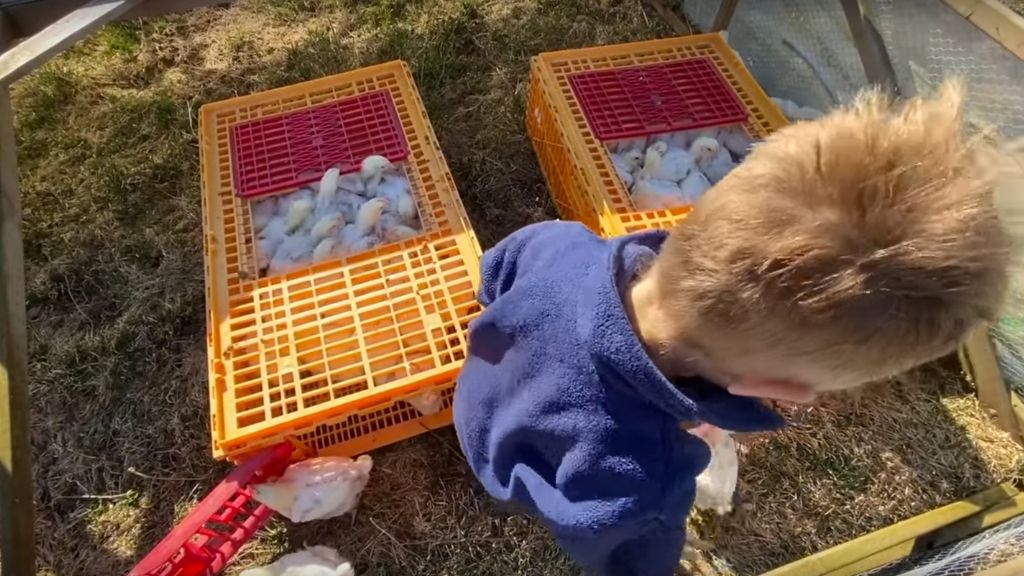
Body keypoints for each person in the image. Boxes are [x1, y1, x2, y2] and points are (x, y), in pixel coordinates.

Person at [453, 79, 1011, 575]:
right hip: (512, 473)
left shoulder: (561, 244)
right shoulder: (644, 473)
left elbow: (495, 272)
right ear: (781, 394)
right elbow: (617, 548)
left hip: (475, 400)